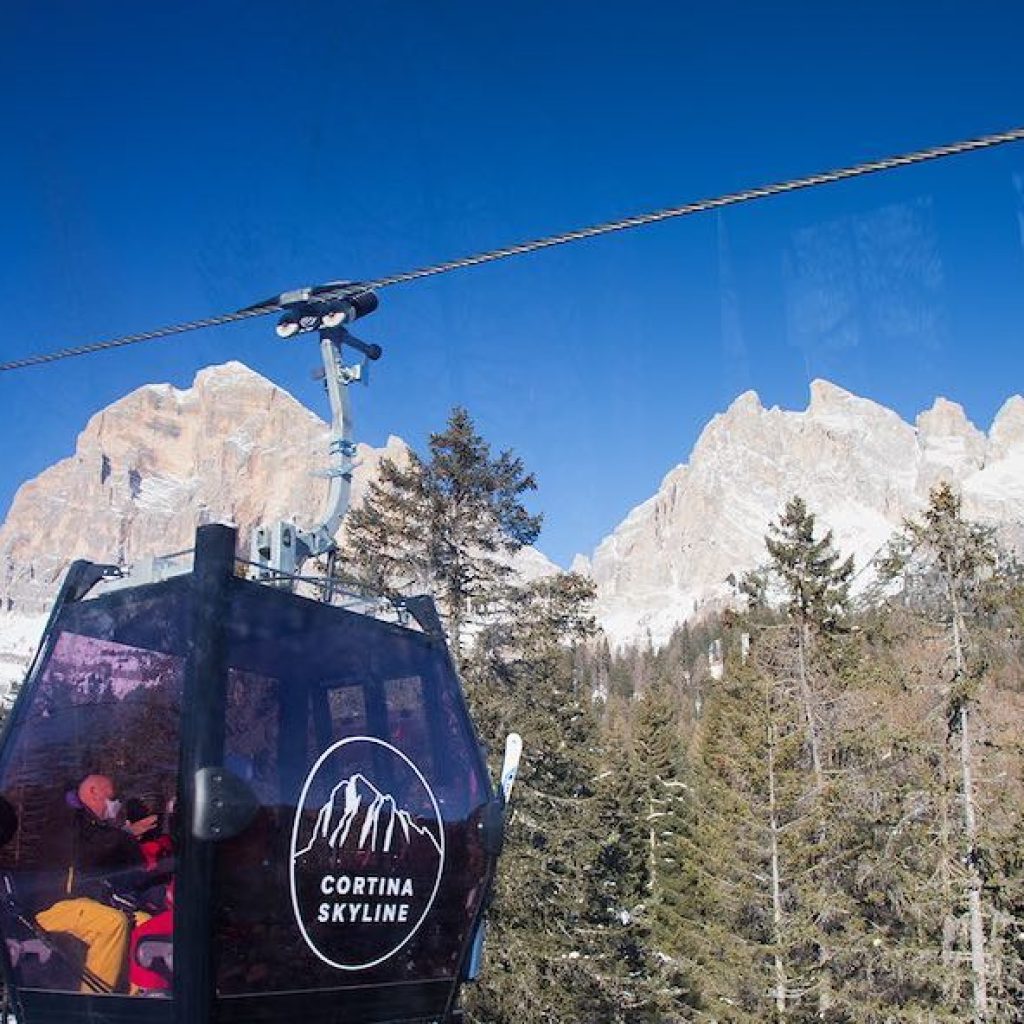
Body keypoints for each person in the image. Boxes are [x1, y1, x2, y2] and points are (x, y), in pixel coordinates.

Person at [35, 774, 154, 993]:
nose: (117, 805)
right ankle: (95, 1002)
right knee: (113, 923)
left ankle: (138, 998)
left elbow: (124, 861)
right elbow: (92, 848)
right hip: (55, 904)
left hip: (86, 904)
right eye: (113, 798)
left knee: (145, 923)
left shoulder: (96, 827)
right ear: (93, 791)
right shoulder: (67, 817)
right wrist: (125, 834)